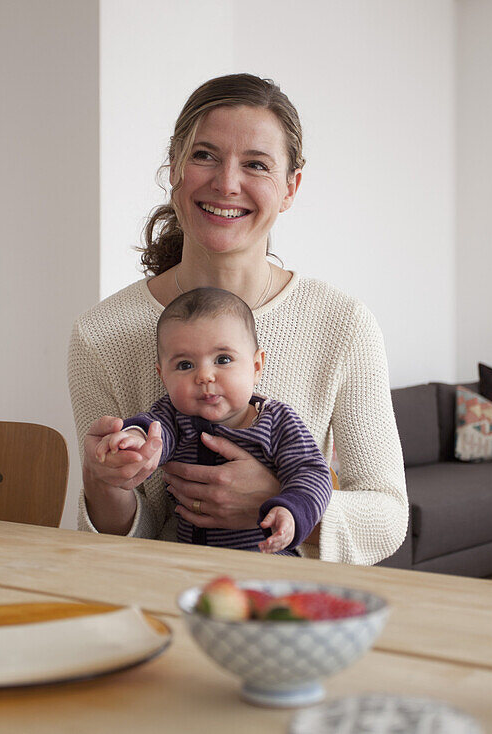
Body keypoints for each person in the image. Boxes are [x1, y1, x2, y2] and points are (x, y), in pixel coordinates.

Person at [68, 72, 407, 565]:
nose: (227, 183)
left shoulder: (344, 324)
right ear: (174, 168)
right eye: (204, 155)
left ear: (290, 188)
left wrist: (277, 505)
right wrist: (105, 484)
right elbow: (118, 540)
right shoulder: (100, 335)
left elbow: (388, 514)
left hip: (291, 610)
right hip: (162, 597)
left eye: (256, 164)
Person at [95, 287, 333, 555]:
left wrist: (291, 511)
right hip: (194, 564)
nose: (205, 376)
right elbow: (152, 432)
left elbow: (312, 473)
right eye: (185, 365)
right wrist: (133, 440)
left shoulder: (278, 422)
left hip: (268, 563)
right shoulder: (175, 418)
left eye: (223, 359)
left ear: (256, 367)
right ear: (164, 377)